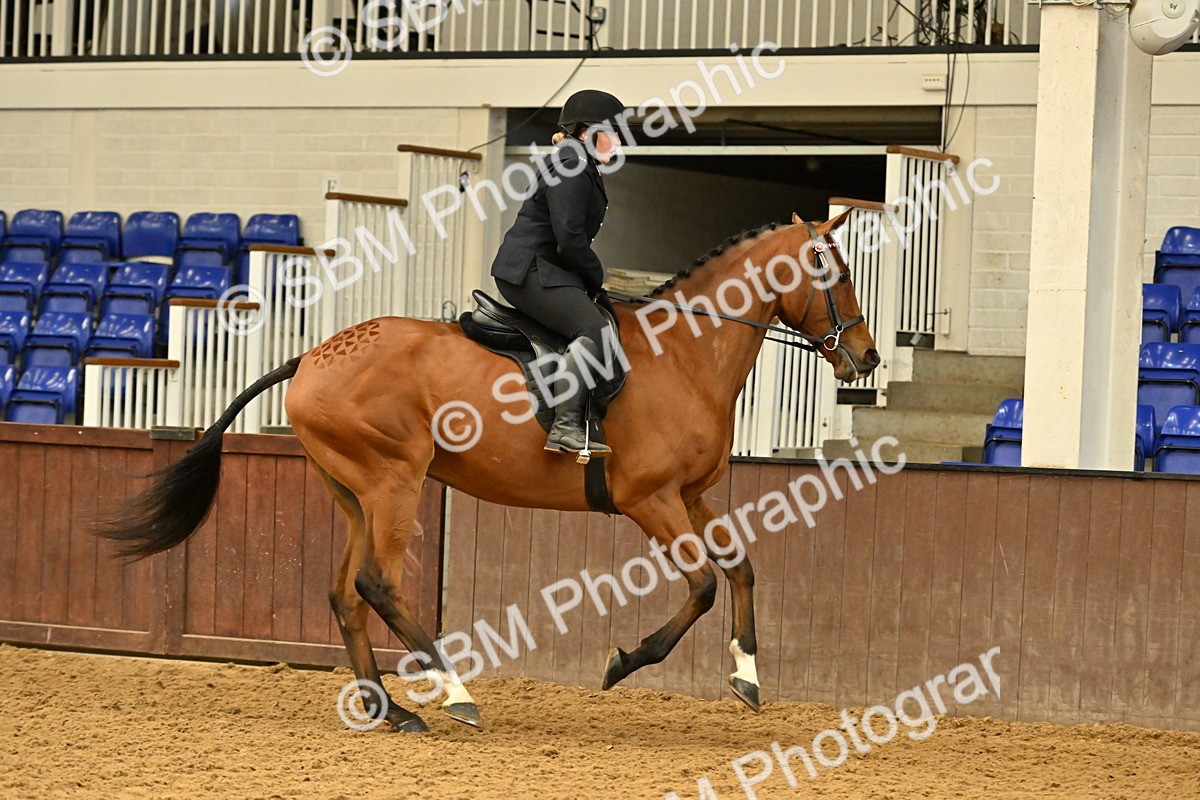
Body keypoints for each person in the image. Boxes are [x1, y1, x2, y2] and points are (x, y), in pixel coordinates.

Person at [490, 89, 627, 457]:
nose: (617, 140)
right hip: (530, 270)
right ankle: (565, 426)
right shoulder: (571, 163)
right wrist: (596, 277)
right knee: (593, 329)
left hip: (546, 267)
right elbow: (569, 238)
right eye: (611, 132)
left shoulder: (578, 160)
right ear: (586, 132)